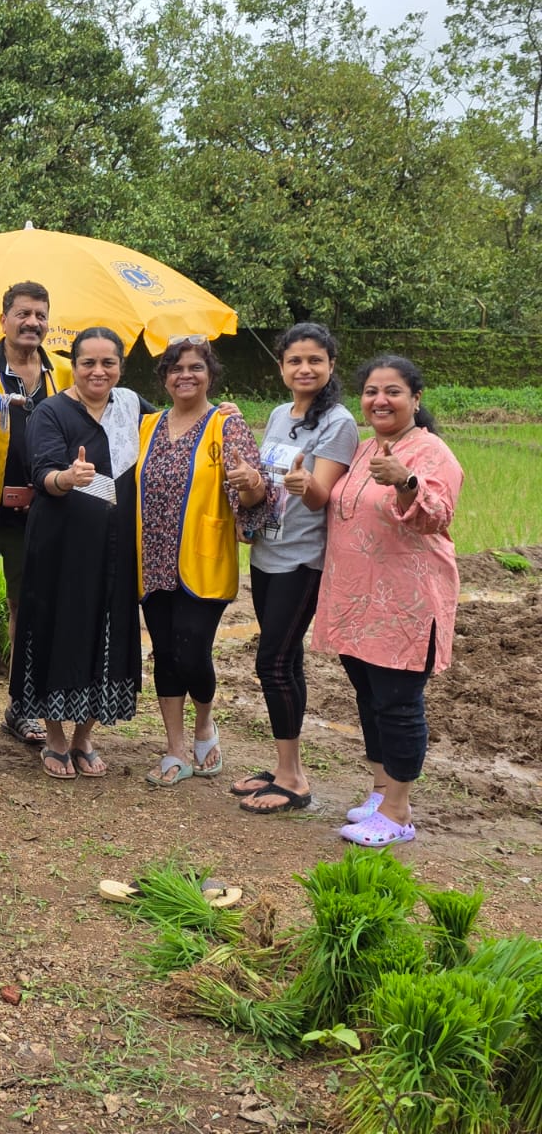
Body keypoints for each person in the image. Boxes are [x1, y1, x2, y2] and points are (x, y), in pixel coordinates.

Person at [310, 356, 462, 847]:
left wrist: (405, 480)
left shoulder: (431, 453)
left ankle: (398, 813)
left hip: (406, 608)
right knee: (370, 698)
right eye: (372, 391)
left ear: (415, 399)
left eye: (393, 391)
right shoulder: (365, 447)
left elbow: (436, 516)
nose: (380, 400)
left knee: (398, 705)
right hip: (358, 604)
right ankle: (381, 793)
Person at [232, 324, 359, 814]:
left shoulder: (340, 422)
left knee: (273, 663)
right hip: (267, 553)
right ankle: (286, 766)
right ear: (281, 367)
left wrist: (304, 483)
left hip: (304, 559)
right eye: (295, 361)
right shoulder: (281, 414)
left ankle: (294, 780)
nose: (305, 368)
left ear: (330, 365)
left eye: (315, 360)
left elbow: (321, 493)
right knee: (284, 663)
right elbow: (264, 481)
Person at [10, 327, 146, 781]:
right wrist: (67, 478)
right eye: (88, 362)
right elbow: (42, 474)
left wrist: (218, 411)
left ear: (120, 367)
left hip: (117, 545)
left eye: (108, 362)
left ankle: (85, 735)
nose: (98, 371)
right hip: (61, 546)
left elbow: (171, 426)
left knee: (108, 631)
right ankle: (53, 735)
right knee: (58, 629)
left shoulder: (129, 406)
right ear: (74, 364)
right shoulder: (51, 411)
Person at [136, 339, 267, 787]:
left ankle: (204, 725)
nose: (184, 375)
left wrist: (250, 484)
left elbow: (251, 493)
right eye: (175, 369)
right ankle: (174, 748)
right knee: (164, 653)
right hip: (151, 558)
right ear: (164, 378)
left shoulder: (225, 423)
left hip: (203, 557)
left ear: (210, 374)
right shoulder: (147, 424)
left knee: (193, 652)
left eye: (195, 367)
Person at [0, 283, 72, 747]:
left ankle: (21, 707)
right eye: (23, 313)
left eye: (40, 315)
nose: (32, 322)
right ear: (2, 319)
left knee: (28, 613)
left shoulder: (64, 370)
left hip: (44, 513)